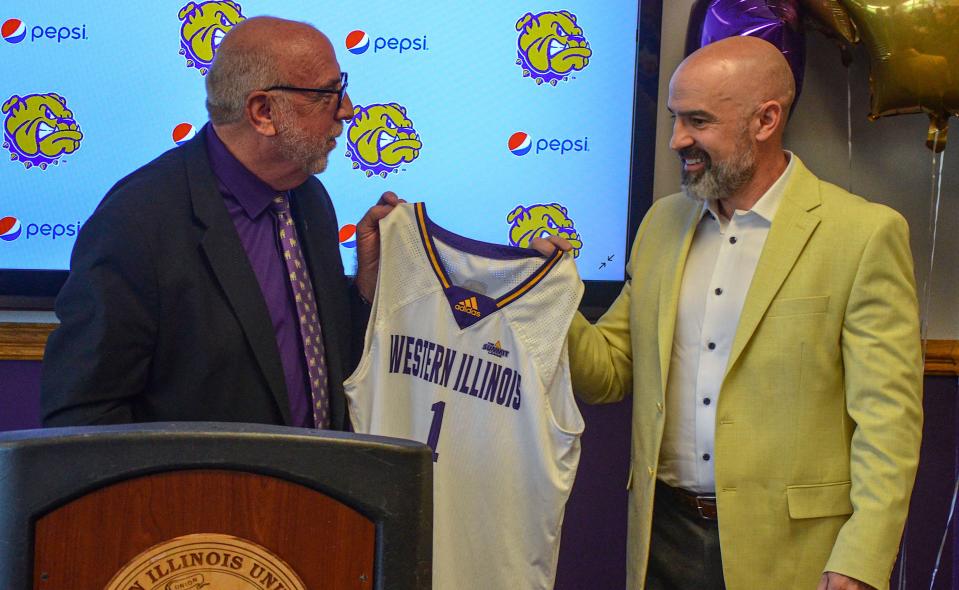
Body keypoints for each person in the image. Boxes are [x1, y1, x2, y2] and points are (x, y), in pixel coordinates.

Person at [565, 36, 923, 590]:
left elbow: (888, 423)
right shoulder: (661, 225)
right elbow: (610, 373)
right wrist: (551, 295)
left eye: (698, 121)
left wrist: (860, 558)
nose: (676, 139)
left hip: (794, 553)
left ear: (765, 120)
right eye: (675, 119)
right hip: (663, 538)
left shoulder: (864, 234)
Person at [41, 16, 400, 430]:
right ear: (263, 112)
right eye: (326, 94)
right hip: (200, 493)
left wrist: (363, 289)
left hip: (314, 489)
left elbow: (319, 358)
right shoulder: (137, 222)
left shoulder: (308, 198)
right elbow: (82, 418)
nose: (347, 110)